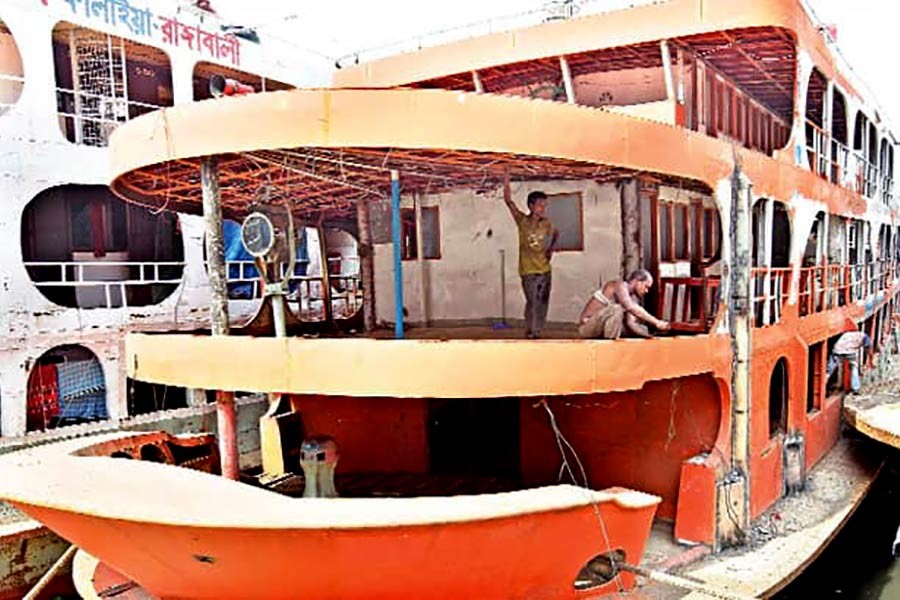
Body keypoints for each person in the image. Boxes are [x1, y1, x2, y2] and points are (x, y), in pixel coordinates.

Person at [502, 173, 559, 339]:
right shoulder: (522, 221)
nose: (543, 209)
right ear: (531, 206)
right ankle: (531, 330)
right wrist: (506, 180)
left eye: (544, 206)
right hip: (528, 271)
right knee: (532, 302)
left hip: (545, 269)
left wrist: (551, 249)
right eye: (540, 205)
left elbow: (556, 233)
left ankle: (537, 330)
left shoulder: (546, 223)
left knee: (543, 302)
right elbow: (508, 201)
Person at [577, 270, 670, 339]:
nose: (646, 291)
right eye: (646, 287)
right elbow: (630, 307)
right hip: (587, 327)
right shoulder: (619, 285)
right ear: (637, 281)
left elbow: (631, 324)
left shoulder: (632, 298)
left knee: (639, 328)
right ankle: (610, 347)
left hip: (602, 327)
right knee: (616, 309)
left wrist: (651, 336)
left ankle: (613, 343)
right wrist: (656, 322)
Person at [827, 329, 872, 394]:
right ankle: (855, 388)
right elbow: (868, 347)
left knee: (829, 370)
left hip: (837, 349)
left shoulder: (849, 334)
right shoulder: (864, 337)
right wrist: (870, 359)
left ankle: (823, 385)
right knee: (854, 368)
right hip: (850, 351)